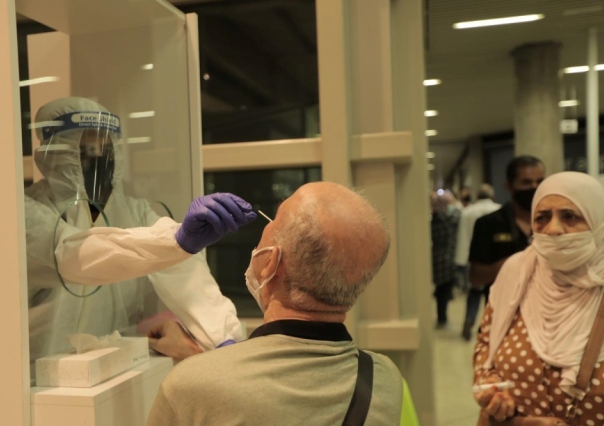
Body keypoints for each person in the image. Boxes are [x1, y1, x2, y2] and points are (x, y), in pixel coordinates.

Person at [146, 182, 419, 426]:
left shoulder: (186, 389)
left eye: (273, 221)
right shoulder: (386, 381)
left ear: (271, 263)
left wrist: (201, 366)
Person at [24, 97, 254, 371]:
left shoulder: (133, 212)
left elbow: (185, 273)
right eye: (85, 150)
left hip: (111, 369)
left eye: (106, 148)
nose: (99, 159)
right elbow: (73, 256)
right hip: (38, 376)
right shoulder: (29, 213)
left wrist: (223, 338)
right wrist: (175, 241)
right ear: (53, 155)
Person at [473, 171, 604, 425]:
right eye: (542, 217)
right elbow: (486, 342)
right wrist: (491, 388)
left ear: (598, 219)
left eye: (570, 216)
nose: (553, 229)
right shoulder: (517, 272)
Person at [461, 156, 545, 341]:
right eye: (526, 182)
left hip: (547, 320)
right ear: (509, 186)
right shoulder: (488, 224)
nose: (534, 187)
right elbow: (475, 276)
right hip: (502, 320)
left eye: (540, 181)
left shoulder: (553, 223)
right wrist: (517, 263)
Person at [454, 184, 501, 293]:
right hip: (496, 258)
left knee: (474, 292)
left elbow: (463, 236)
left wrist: (461, 260)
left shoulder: (467, 212)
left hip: (473, 257)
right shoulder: (499, 210)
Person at [431, 190, 460, 328]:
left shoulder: (434, 221)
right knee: (445, 290)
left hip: (437, 258)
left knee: (440, 290)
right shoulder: (454, 217)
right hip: (451, 256)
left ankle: (441, 318)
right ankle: (443, 318)